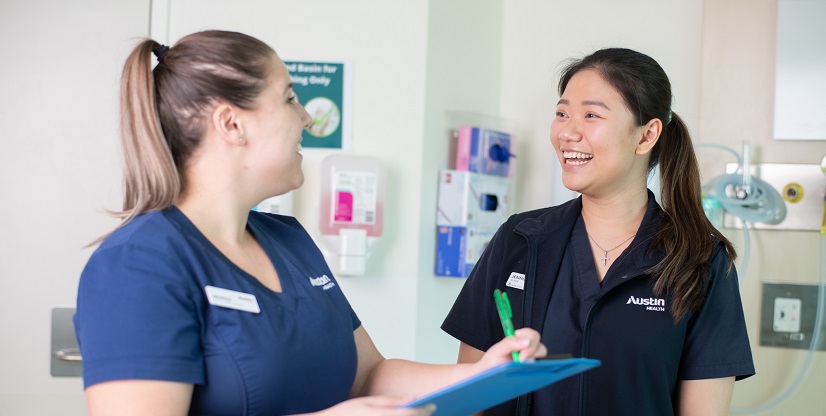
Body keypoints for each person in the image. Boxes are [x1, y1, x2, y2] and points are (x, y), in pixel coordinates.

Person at [73, 30, 547, 416]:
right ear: (231, 124)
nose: (306, 119)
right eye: (290, 99)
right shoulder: (138, 264)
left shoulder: (288, 242)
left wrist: (483, 372)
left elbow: (368, 375)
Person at [441, 48, 755, 416]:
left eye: (591, 115)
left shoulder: (700, 260)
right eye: (561, 114)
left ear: (646, 135)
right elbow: (468, 394)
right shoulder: (519, 239)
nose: (567, 132)